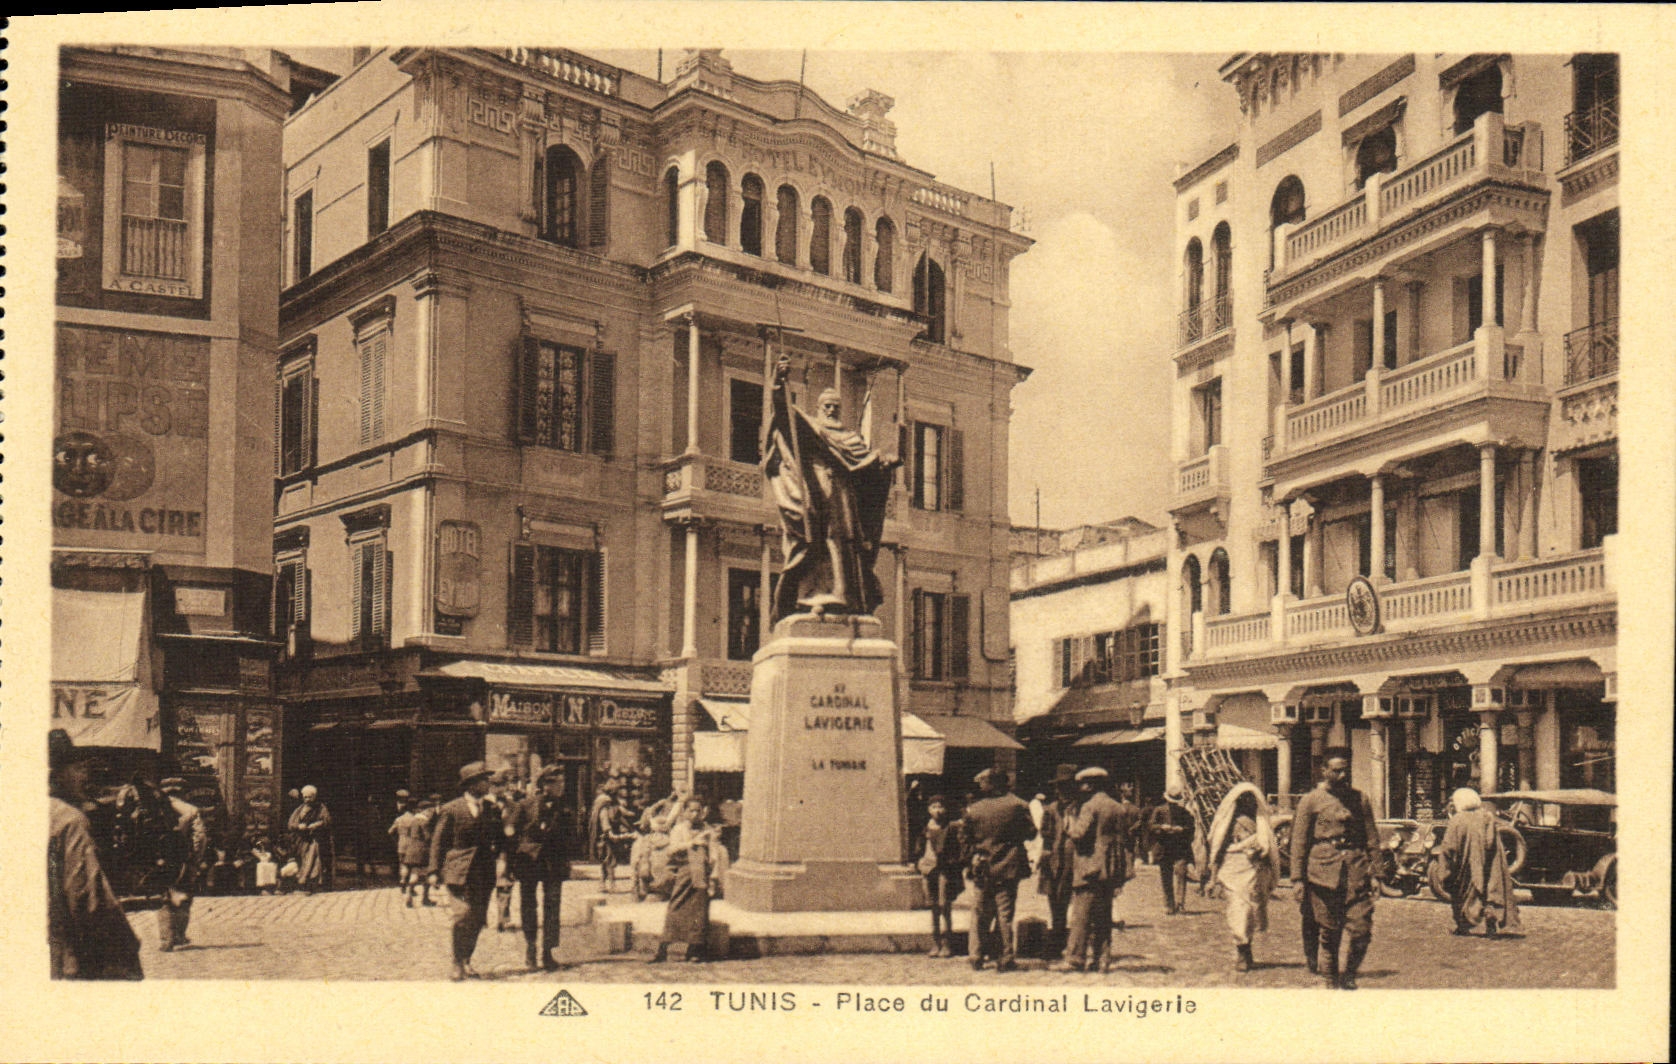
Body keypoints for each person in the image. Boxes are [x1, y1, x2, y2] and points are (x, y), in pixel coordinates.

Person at [762, 353, 901, 620]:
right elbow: (783, 412)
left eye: (835, 406)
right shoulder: (811, 428)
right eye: (826, 405)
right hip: (815, 493)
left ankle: (845, 597)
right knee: (813, 543)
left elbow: (867, 466)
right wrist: (778, 381)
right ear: (818, 408)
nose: (831, 410)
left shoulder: (850, 437)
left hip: (844, 497)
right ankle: (809, 598)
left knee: (845, 544)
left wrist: (885, 464)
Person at [48, 729, 143, 980]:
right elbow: (89, 899)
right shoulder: (67, 820)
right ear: (55, 773)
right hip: (60, 953)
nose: (85, 775)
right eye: (78, 768)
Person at [1289, 749, 1380, 990]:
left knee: (1362, 929)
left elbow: (1371, 836)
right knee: (1330, 932)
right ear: (1324, 771)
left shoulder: (1360, 799)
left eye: (1345, 770)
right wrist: (1297, 879)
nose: (1342, 775)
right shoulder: (1311, 801)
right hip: (1322, 873)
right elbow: (1299, 842)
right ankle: (1331, 980)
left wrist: (1377, 873)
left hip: (1355, 872)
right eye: (1336, 771)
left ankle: (1349, 973)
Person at [428, 762, 504, 981]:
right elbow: (437, 842)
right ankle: (456, 962)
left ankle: (467, 960)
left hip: (483, 872)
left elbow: (499, 839)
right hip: (458, 871)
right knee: (462, 915)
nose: (488, 783)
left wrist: (504, 861)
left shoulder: (491, 809)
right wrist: (433, 870)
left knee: (478, 919)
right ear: (471, 784)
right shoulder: (452, 809)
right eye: (483, 780)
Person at [960, 768, 1036, 972]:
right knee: (1005, 914)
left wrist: (973, 856)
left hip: (982, 867)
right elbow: (1031, 833)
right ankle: (1005, 957)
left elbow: (964, 839)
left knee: (979, 913)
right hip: (1009, 867)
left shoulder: (974, 809)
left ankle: (976, 956)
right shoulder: (1018, 805)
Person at [1055, 767, 1128, 973]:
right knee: (1104, 916)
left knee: (1082, 916)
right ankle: (1102, 959)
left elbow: (1078, 834)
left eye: (1083, 783)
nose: (1080, 787)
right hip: (1110, 868)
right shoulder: (1118, 807)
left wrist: (1068, 821)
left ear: (1090, 785)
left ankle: (1075, 959)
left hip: (1089, 868)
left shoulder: (1090, 806)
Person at [507, 765, 574, 971]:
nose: (562, 786)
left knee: (552, 907)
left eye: (563, 782)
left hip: (553, 863)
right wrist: (511, 862)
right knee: (529, 905)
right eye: (557, 782)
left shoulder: (564, 807)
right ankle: (530, 948)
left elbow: (570, 837)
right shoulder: (525, 805)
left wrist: (566, 861)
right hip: (529, 862)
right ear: (546, 784)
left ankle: (548, 951)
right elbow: (510, 833)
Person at [1209, 782, 1281, 973]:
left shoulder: (1262, 822)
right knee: (1238, 909)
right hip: (1232, 869)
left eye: (1251, 798)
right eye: (1244, 799)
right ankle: (1242, 948)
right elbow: (1217, 849)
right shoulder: (1227, 822)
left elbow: (1269, 848)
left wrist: (1260, 851)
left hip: (1253, 871)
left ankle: (1246, 945)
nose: (1248, 802)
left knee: (1251, 911)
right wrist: (1213, 877)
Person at [1436, 787, 1522, 938]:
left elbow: (1449, 847)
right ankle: (1491, 922)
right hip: (1490, 865)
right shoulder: (1487, 817)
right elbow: (1491, 843)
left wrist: (1445, 869)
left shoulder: (1457, 820)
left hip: (1467, 867)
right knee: (1491, 892)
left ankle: (1463, 926)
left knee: (1462, 894)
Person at [649, 799, 721, 964]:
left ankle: (694, 950)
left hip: (702, 875)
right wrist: (691, 843)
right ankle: (663, 949)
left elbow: (715, 856)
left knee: (699, 913)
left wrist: (714, 878)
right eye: (692, 811)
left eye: (698, 811)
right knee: (675, 907)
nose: (695, 814)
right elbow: (671, 850)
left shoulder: (708, 830)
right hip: (684, 873)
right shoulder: (679, 829)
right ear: (685, 812)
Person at [157, 777, 207, 951]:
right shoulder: (191, 810)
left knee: (165, 898)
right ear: (181, 791)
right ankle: (178, 935)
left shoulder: (155, 809)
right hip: (182, 860)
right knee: (183, 896)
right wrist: (195, 858)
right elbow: (199, 837)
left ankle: (166, 938)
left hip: (160, 860)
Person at [1034, 764, 1078, 958]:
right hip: (1054, 862)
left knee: (1077, 904)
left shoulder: (1081, 808)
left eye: (1066, 786)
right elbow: (1046, 835)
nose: (1061, 791)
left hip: (1076, 862)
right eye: (1059, 787)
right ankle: (1057, 940)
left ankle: (1076, 943)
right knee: (1056, 903)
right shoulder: (1051, 810)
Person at [917, 794, 964, 957]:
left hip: (944, 870)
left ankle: (947, 942)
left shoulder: (950, 827)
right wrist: (920, 862)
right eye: (934, 807)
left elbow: (957, 848)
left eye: (940, 806)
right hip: (929, 869)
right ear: (929, 810)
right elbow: (919, 848)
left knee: (945, 906)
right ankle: (935, 941)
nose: (937, 810)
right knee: (933, 906)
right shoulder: (925, 828)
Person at [1150, 785, 1197, 915]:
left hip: (1180, 848)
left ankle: (1180, 903)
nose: (1173, 805)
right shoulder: (1159, 810)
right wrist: (1161, 827)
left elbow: (1191, 828)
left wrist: (1182, 829)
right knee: (1166, 877)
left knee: (1181, 874)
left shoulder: (1185, 813)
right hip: (1164, 848)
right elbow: (1151, 826)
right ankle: (1169, 904)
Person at [389, 791, 433, 908]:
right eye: (429, 810)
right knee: (427, 873)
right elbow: (428, 837)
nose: (431, 812)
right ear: (424, 810)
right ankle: (425, 898)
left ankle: (408, 894)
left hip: (411, 849)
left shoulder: (412, 820)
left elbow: (407, 834)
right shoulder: (424, 821)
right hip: (422, 850)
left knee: (414, 873)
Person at [286, 785, 333, 893]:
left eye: (310, 797)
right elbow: (290, 824)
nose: (307, 800)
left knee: (312, 856)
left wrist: (316, 825)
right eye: (305, 797)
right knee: (298, 859)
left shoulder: (321, 807)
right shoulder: (299, 809)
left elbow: (326, 821)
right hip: (300, 839)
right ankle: (298, 883)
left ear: (314, 796)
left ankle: (308, 883)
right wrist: (298, 826)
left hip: (314, 838)